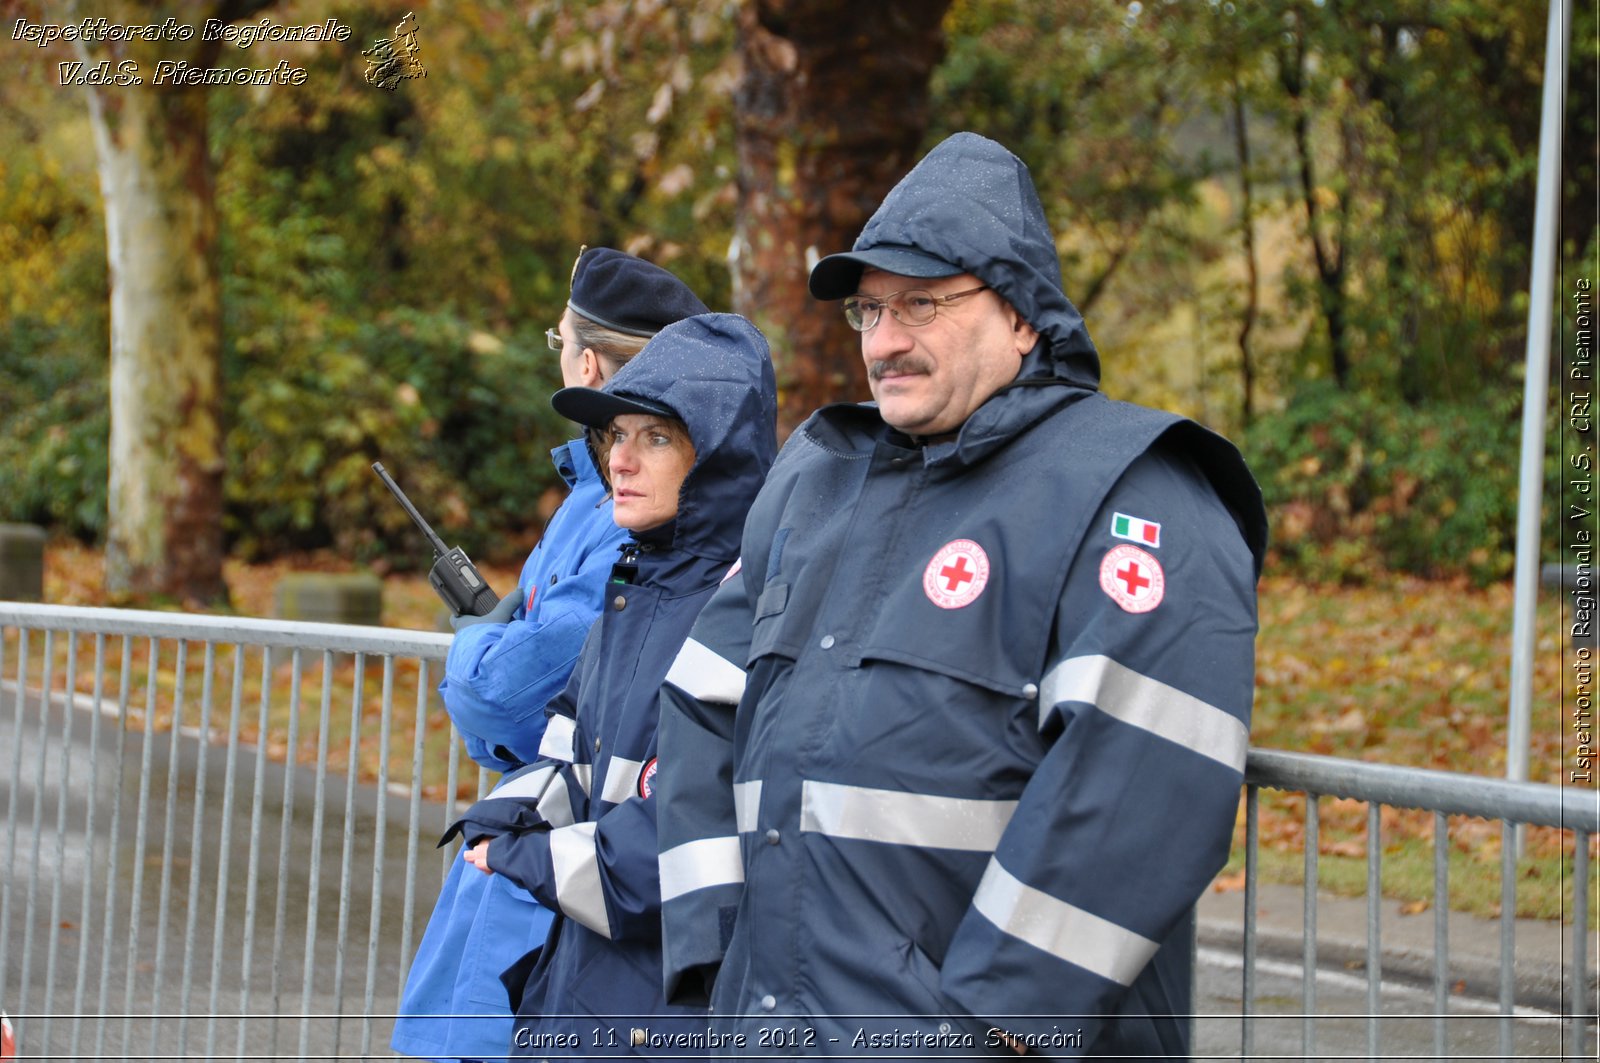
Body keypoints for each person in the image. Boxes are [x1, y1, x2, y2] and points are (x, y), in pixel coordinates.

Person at [654, 132, 1269, 1060]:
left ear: (1023, 316)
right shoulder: (814, 482)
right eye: (869, 310)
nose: (886, 341)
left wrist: (994, 1031)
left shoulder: (1135, 493)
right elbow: (701, 697)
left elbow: (1144, 782)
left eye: (923, 304)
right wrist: (712, 960)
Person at [392, 248, 709, 1063]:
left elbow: (504, 698)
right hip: (542, 871)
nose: (628, 459)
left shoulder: (619, 513)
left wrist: (476, 640)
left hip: (555, 900)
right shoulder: (592, 495)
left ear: (590, 360)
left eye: (557, 337)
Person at [439, 313, 778, 1058]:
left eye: (654, 437)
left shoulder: (752, 606)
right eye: (615, 435)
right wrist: (500, 817)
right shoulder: (634, 585)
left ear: (718, 455)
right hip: (581, 990)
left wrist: (518, 855)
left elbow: (679, 838)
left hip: (670, 1011)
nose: (620, 460)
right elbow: (567, 742)